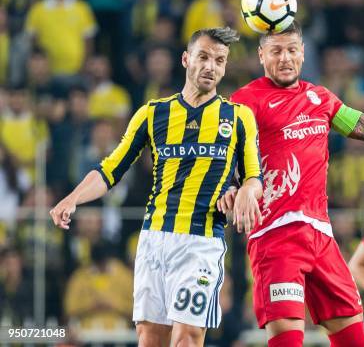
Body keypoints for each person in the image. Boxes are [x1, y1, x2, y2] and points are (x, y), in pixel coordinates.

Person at [50, 27, 263, 347]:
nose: (211, 66)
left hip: (201, 243)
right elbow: (111, 169)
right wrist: (72, 198)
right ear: (185, 59)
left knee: (187, 337)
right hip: (154, 240)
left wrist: (247, 190)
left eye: (220, 60)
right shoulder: (153, 114)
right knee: (150, 339)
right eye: (203, 57)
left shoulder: (238, 117)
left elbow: (254, 176)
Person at [219, 20, 364, 347]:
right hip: (276, 238)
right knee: (288, 341)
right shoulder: (245, 100)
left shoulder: (321, 99)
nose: (285, 58)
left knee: (355, 341)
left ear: (304, 54)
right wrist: (232, 185)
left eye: (292, 50)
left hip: (321, 238)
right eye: (276, 51)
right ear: (261, 55)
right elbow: (224, 152)